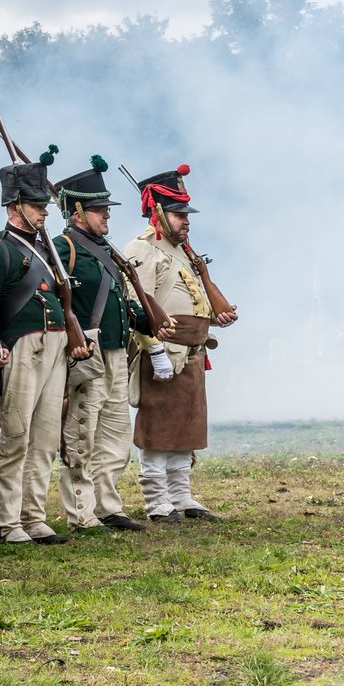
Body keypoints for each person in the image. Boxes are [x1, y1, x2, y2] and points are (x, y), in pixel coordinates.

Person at [0, 148, 87, 546]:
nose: (44, 212)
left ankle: (34, 515)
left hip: (55, 346)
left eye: (44, 205)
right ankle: (8, 520)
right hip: (23, 349)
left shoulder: (48, 250)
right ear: (14, 206)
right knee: (16, 435)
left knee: (43, 438)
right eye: (36, 205)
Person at [53, 156, 163, 532]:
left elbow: (118, 297)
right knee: (82, 433)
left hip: (117, 352)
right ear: (78, 211)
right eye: (100, 211)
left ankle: (109, 505)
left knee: (116, 436)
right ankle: (82, 510)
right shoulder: (62, 248)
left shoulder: (107, 251)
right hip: (89, 354)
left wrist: (144, 317)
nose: (107, 217)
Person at [123, 164, 236, 522]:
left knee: (184, 428)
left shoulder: (183, 251)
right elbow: (136, 304)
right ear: (157, 211)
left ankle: (181, 496)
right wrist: (153, 350)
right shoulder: (143, 249)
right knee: (157, 429)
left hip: (191, 353)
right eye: (178, 214)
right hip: (164, 352)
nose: (186, 221)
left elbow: (189, 297)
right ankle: (157, 501)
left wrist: (212, 315)